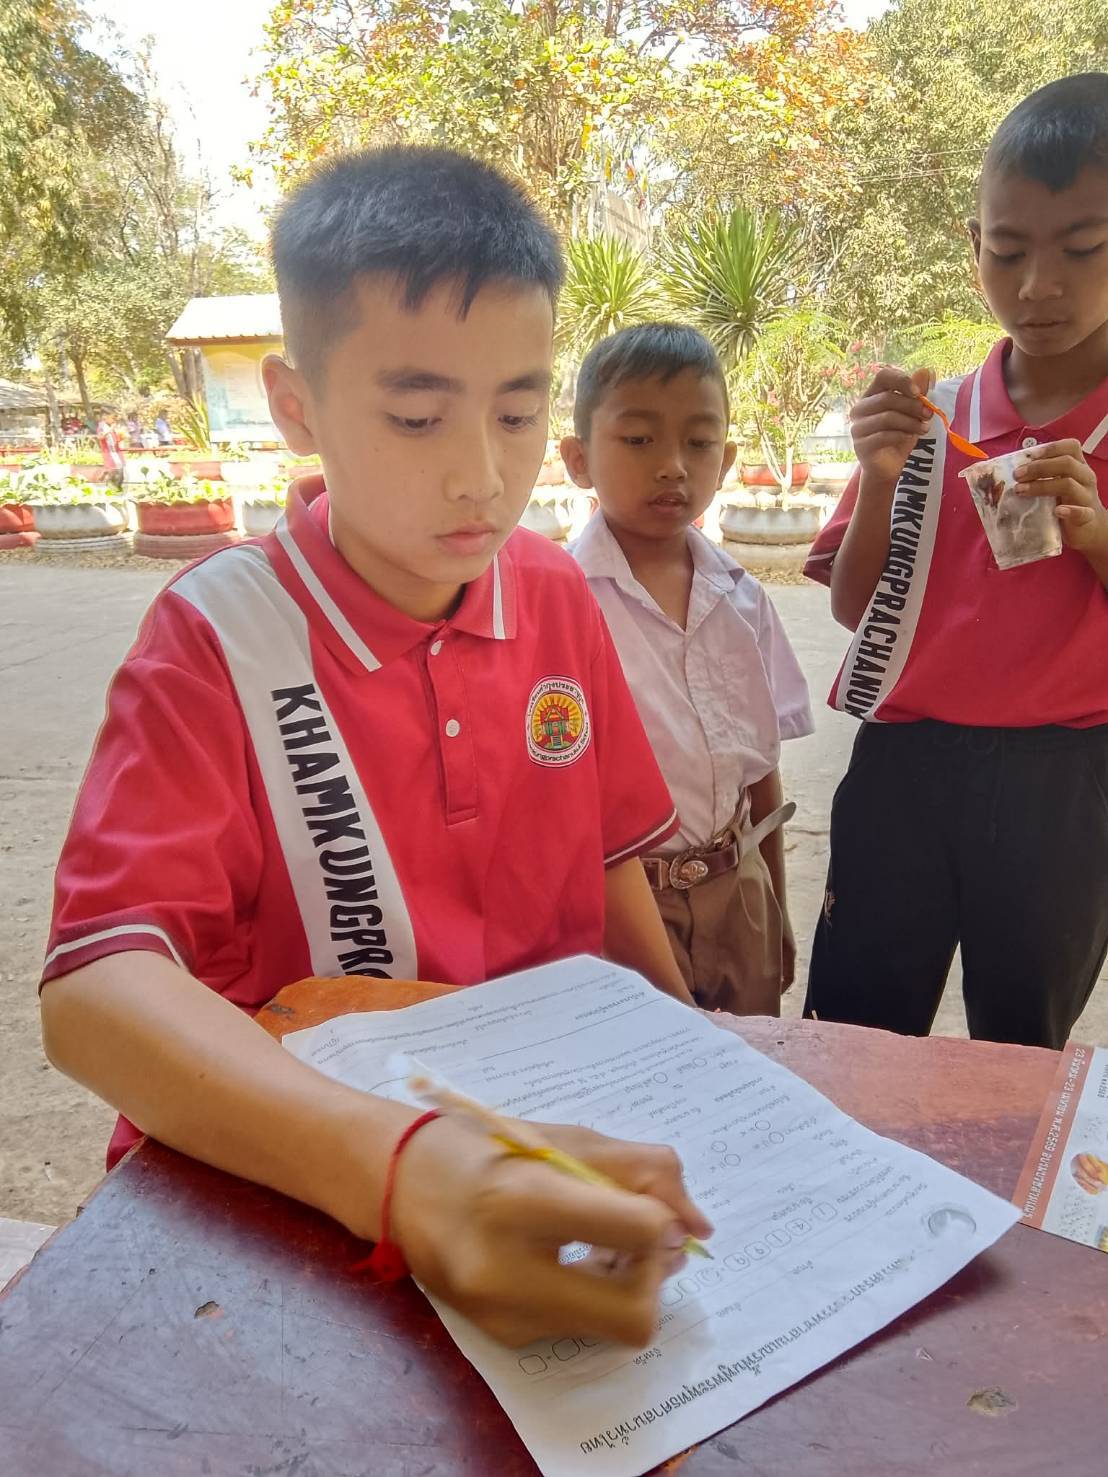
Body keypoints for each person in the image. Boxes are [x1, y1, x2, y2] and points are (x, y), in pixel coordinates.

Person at [39, 147, 710, 1350]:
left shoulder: (554, 598)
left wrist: (697, 1049)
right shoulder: (219, 640)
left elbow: (609, 857)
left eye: (516, 410)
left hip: (547, 1142)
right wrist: (398, 1167)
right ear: (297, 406)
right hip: (295, 1178)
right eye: (416, 415)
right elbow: (96, 990)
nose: (482, 473)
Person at [804, 73, 1108, 1051]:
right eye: (1007, 250)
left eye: (1083, 248)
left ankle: (1007, 1201)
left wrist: (1094, 531)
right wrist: (885, 479)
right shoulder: (933, 424)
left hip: (1065, 778)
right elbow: (855, 607)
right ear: (972, 246)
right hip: (904, 765)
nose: (1038, 286)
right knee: (852, 1026)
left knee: (1021, 1047)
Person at [565, 324, 813, 1014]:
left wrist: (776, 912)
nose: (673, 464)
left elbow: (760, 773)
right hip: (623, 912)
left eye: (699, 442)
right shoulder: (556, 605)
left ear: (727, 457)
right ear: (578, 459)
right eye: (639, 439)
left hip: (740, 891)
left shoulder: (743, 599)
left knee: (751, 1082)